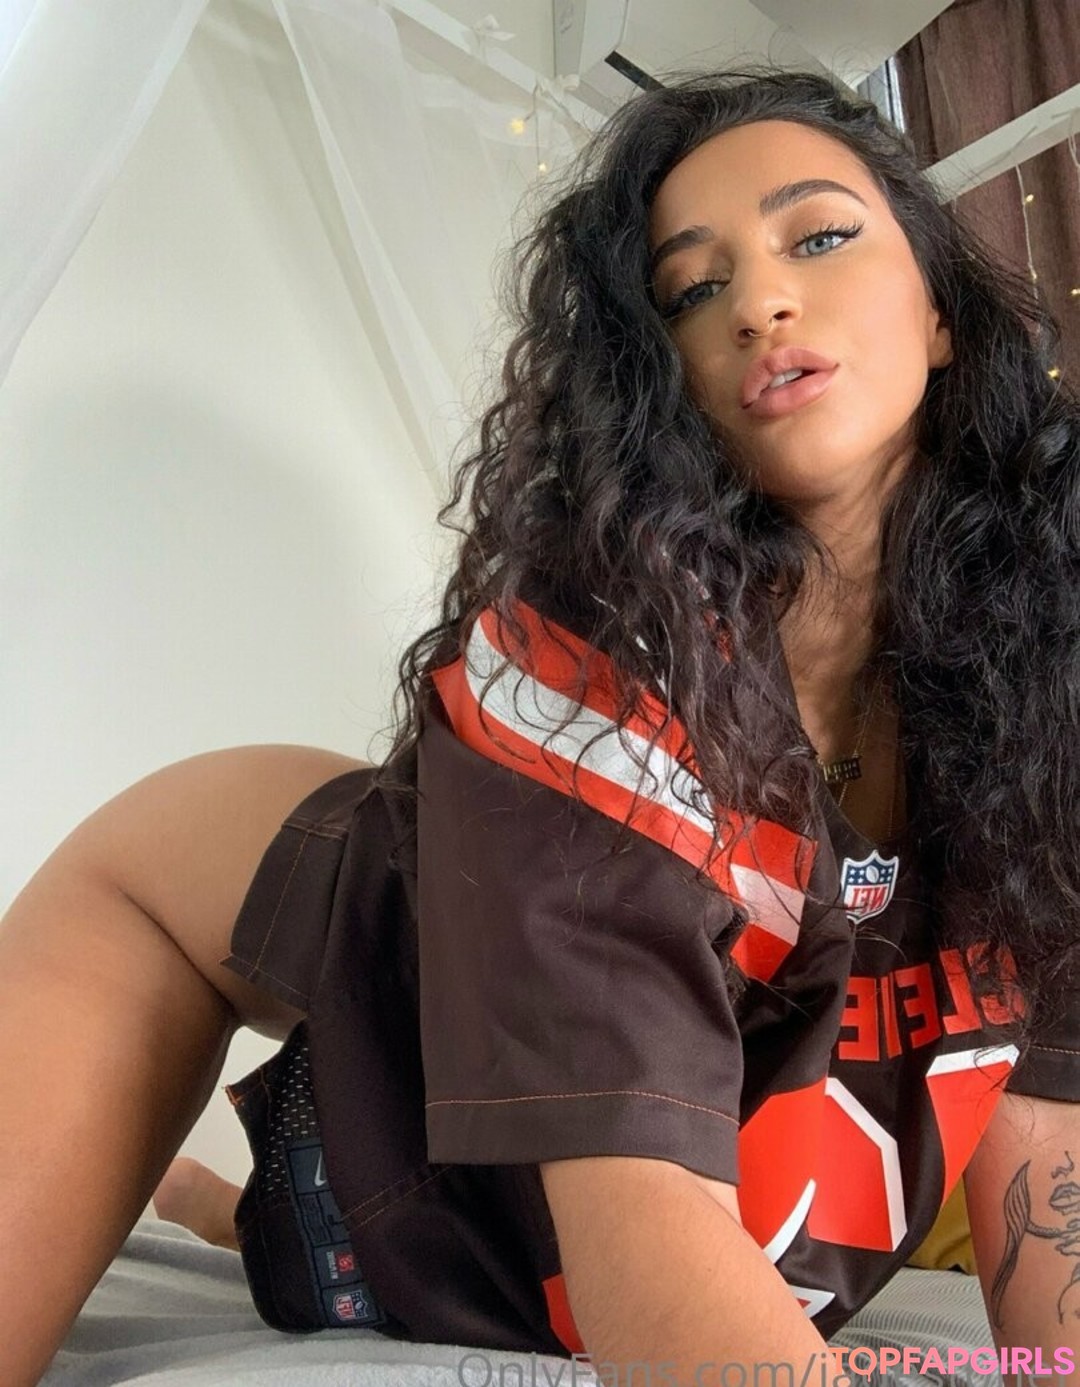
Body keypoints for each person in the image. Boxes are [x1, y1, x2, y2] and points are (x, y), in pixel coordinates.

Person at [2, 64, 1078, 1387]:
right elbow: (644, 1240)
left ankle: (209, 1207)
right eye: (690, 289)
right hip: (283, 960)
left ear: (941, 312)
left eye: (819, 236)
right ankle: (209, 1196)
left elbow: (1048, 1150)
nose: (759, 301)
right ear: (655, 378)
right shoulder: (586, 673)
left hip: (513, 1091)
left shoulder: (1051, 696)